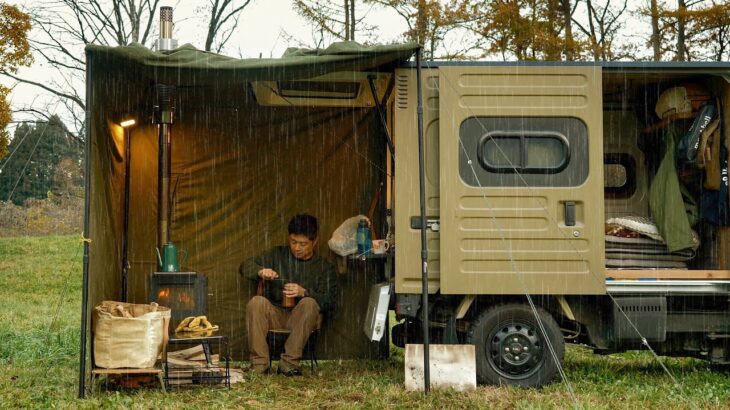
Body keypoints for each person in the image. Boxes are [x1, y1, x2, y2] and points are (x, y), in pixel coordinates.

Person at [240, 214, 337, 376]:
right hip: (275, 315)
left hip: (302, 319)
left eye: (303, 244)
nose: (297, 248)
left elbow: (330, 301)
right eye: (293, 242)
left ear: (315, 242)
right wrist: (260, 271)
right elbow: (245, 266)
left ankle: (288, 364)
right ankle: (259, 364)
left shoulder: (324, 268)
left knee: (310, 303)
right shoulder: (277, 254)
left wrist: (304, 292)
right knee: (256, 302)